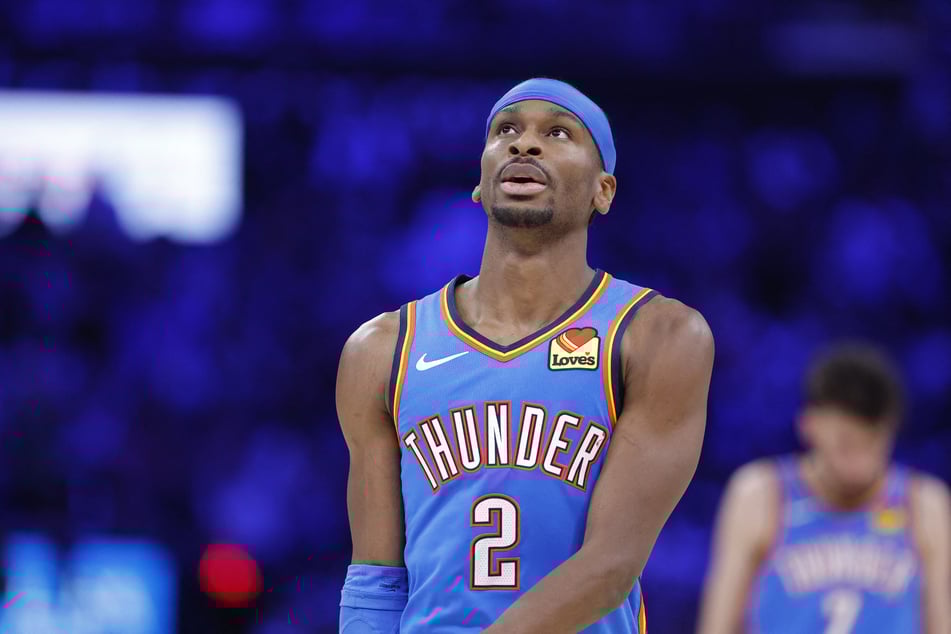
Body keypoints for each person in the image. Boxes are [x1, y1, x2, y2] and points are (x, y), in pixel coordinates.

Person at [337, 77, 714, 632]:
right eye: (506, 131)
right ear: (479, 182)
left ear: (603, 191)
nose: (524, 144)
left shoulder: (657, 334)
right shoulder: (383, 348)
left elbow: (610, 565)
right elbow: (376, 579)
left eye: (557, 133)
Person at [697, 342, 951, 634]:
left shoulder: (923, 503)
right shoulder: (762, 494)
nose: (860, 464)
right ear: (809, 425)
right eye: (846, 444)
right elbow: (716, 626)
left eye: (871, 444)